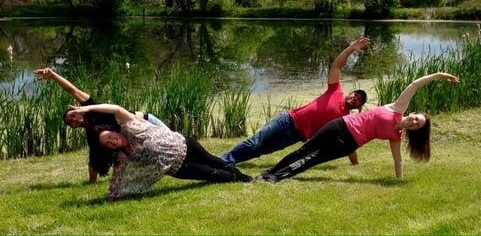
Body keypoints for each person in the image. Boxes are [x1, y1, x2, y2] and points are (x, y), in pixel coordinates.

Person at [258, 72, 459, 182]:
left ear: (415, 130)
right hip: (339, 126)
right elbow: (415, 84)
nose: (414, 122)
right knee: (305, 149)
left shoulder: (395, 137)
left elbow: (397, 161)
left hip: (349, 142)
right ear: (412, 112)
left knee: (313, 159)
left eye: (417, 125)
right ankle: (269, 172)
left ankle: (276, 177)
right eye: (416, 118)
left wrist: (399, 179)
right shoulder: (398, 108)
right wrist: (439, 75)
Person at [220, 37, 370, 165]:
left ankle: (229, 161)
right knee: (255, 142)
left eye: (359, 100)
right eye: (355, 94)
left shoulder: (345, 118)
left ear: (358, 107)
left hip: (296, 136)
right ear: (350, 92)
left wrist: (355, 163)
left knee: (259, 150)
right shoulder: (336, 91)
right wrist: (351, 49)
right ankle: (221, 161)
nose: (355, 98)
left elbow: (349, 141)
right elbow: (336, 66)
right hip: (288, 120)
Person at [68, 103, 252, 201]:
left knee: (212, 160)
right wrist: (112, 197)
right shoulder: (123, 155)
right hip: (176, 168)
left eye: (109, 136)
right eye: (108, 144)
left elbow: (115, 108)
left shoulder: (129, 125)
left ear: (113, 130)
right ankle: (234, 178)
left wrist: (88, 108)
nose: (111, 141)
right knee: (211, 174)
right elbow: (117, 178)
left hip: (185, 145)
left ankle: (241, 175)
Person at [34, 67, 165, 183]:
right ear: (72, 127)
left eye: (73, 115)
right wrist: (92, 182)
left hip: (148, 122)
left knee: (175, 141)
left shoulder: (92, 108)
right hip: (138, 136)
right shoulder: (92, 134)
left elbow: (73, 90)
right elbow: (93, 160)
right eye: (70, 122)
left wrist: (52, 75)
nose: (73, 120)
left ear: (78, 110)